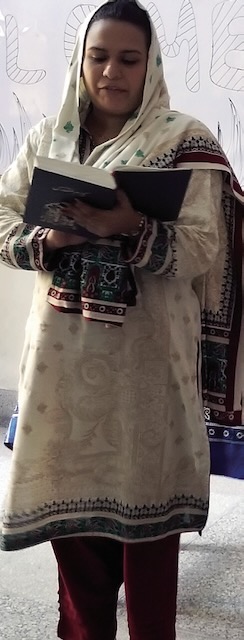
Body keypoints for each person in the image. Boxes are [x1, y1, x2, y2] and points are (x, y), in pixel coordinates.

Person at [0, 1, 243, 638]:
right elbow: (2, 224)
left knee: (148, 533)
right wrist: (49, 240)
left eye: (128, 59)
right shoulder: (45, 140)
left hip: (146, 371)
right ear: (81, 63)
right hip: (62, 366)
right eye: (98, 56)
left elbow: (204, 249)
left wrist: (129, 225)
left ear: (150, 65)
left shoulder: (184, 142)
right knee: (75, 535)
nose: (112, 71)